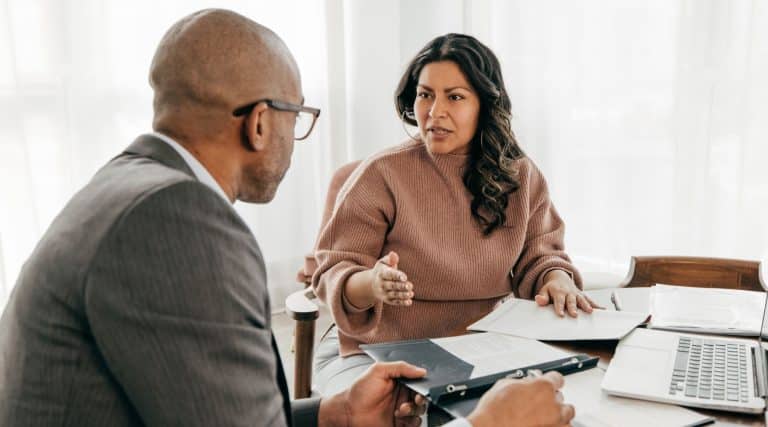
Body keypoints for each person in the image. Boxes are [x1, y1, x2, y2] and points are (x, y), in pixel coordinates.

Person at [0, 10, 574, 427]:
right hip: (397, 348)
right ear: (259, 123)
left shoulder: (133, 187)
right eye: (297, 116)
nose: (434, 112)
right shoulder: (176, 221)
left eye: (455, 97)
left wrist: (333, 413)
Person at [312, 33, 599, 396]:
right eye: (425, 95)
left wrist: (556, 280)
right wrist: (372, 283)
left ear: (485, 105)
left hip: (486, 348)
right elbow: (332, 273)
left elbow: (541, 255)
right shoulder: (380, 174)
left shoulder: (521, 175)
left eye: (455, 97)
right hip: (382, 350)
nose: (435, 112)